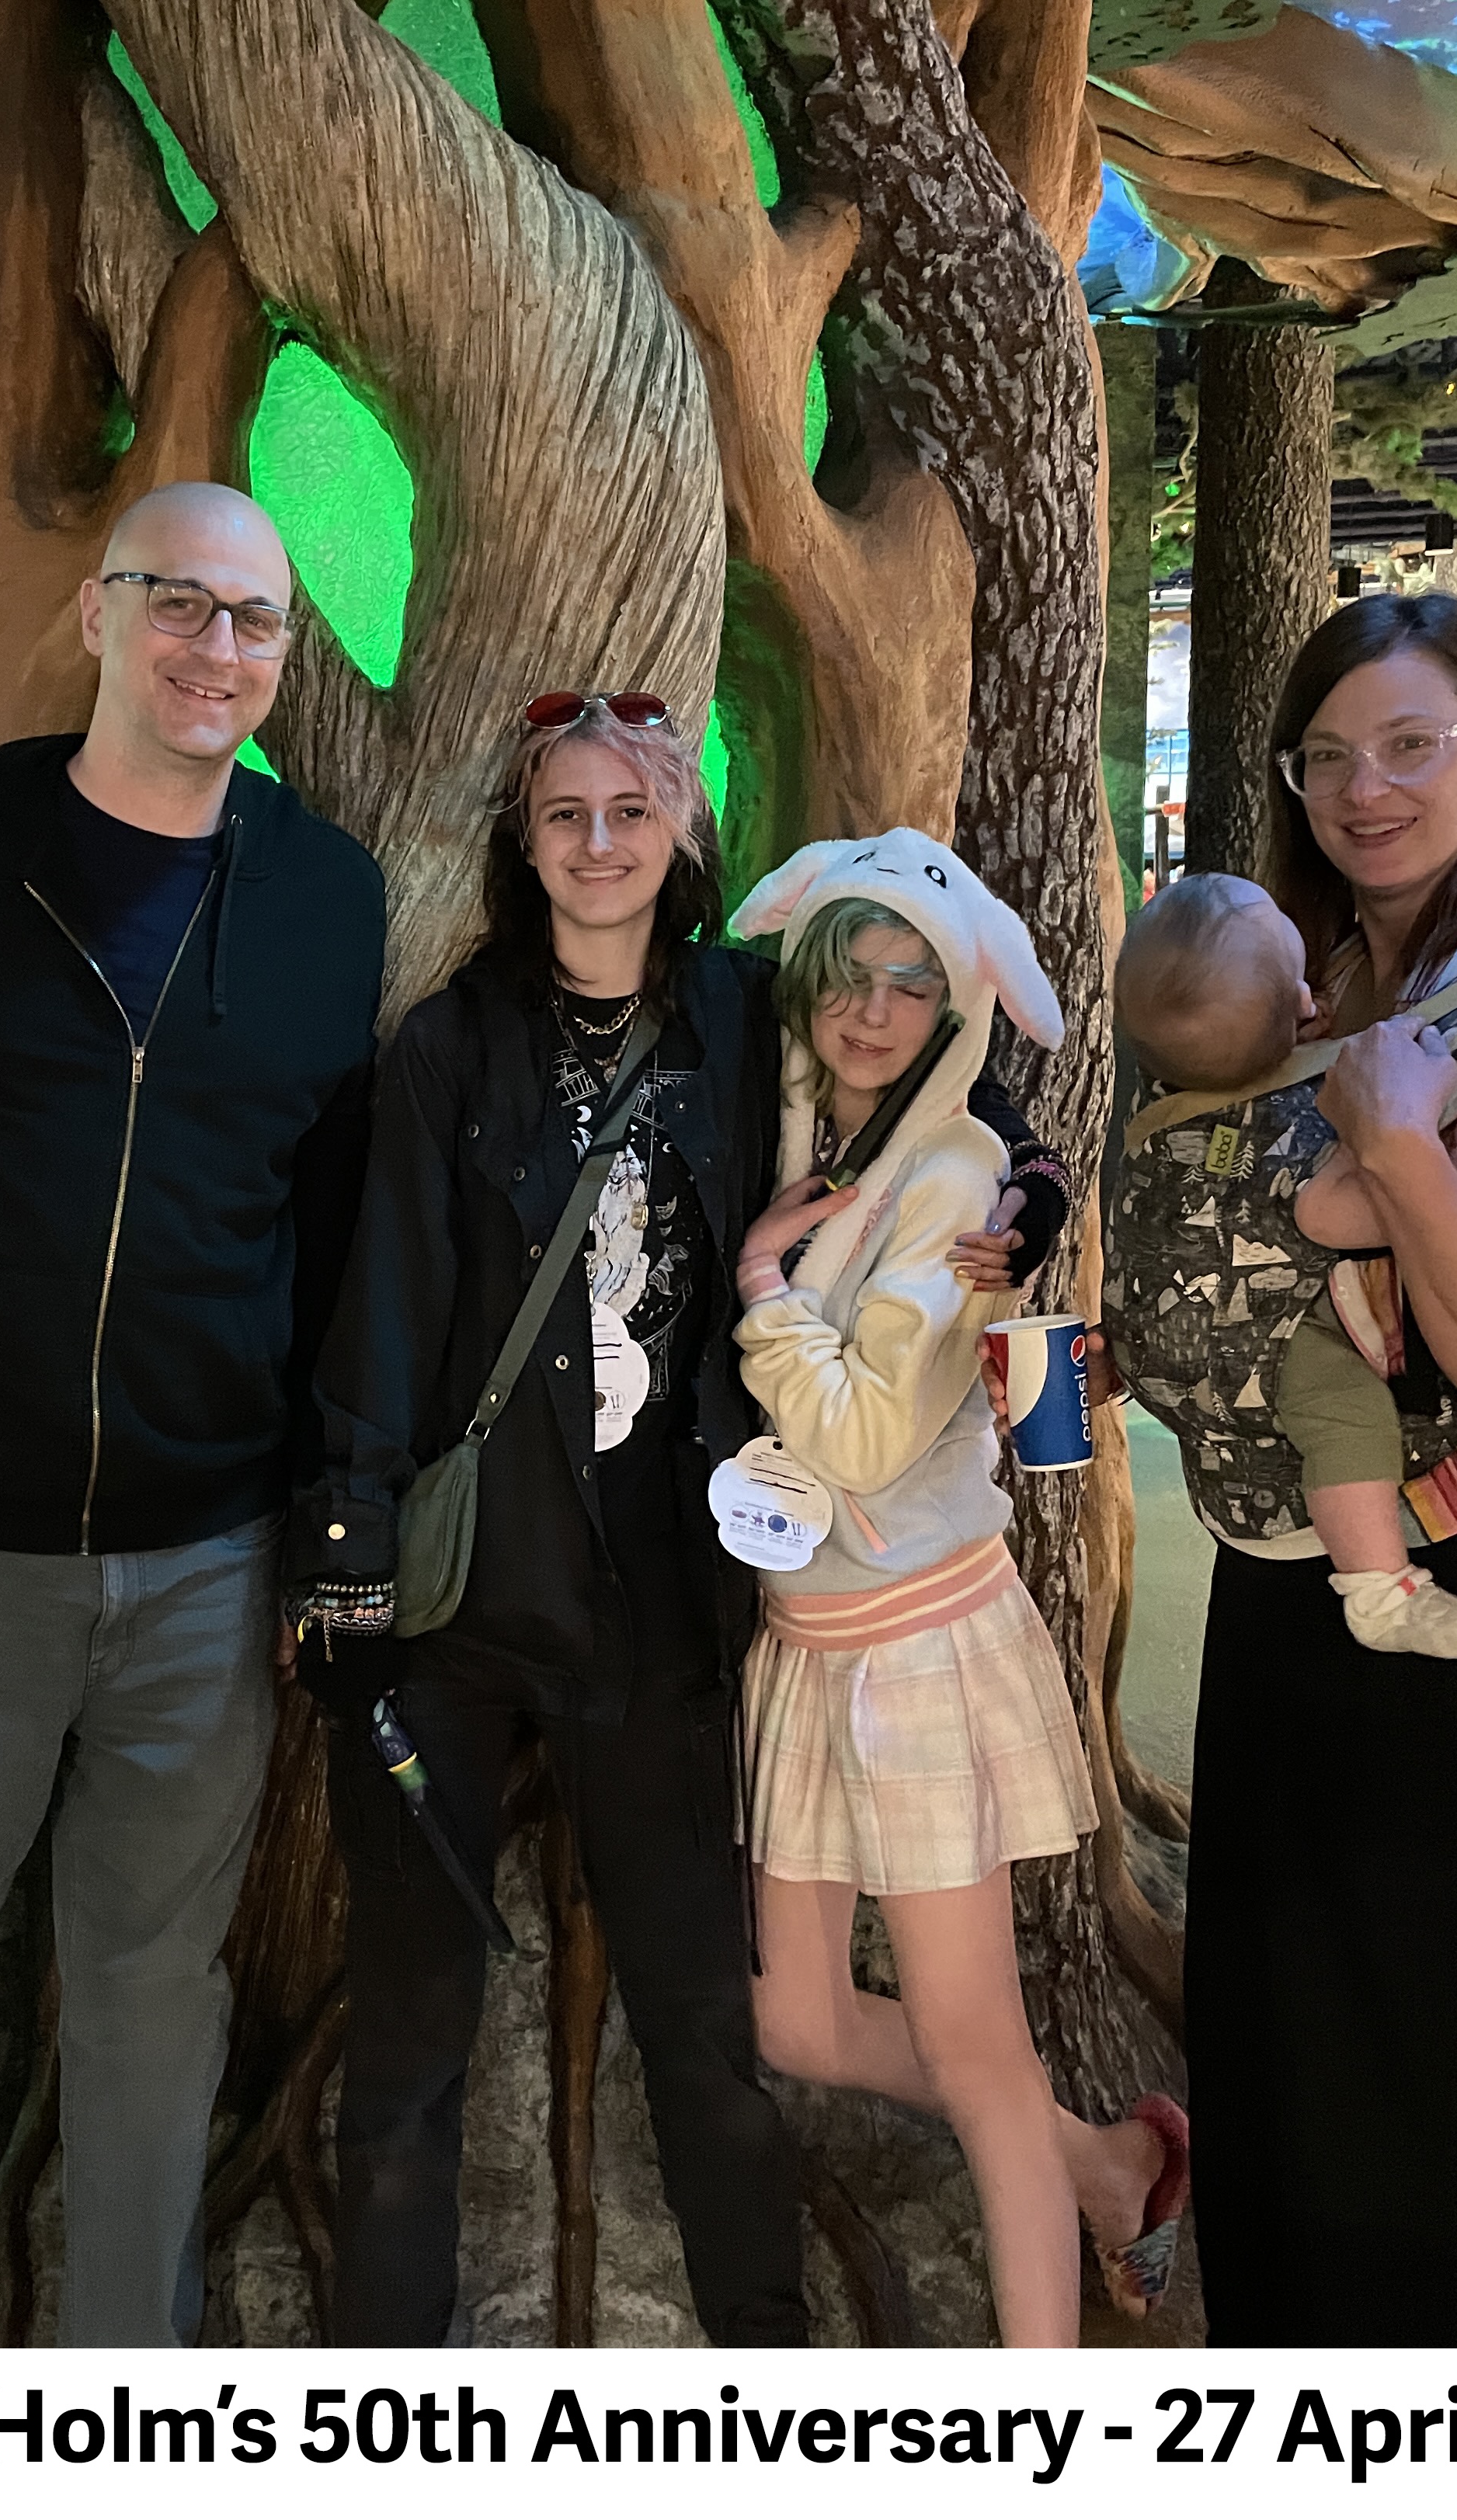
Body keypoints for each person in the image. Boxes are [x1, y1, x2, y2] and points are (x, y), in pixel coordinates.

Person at [291, 700, 1047, 2347]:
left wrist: (1033, 1189)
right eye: (565, 812)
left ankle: (762, 2349)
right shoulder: (452, 1042)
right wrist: (348, 1550)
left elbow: (909, 1069)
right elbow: (391, 1303)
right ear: (526, 831)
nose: (599, 842)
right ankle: (376, 2376)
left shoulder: (736, 1009)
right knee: (414, 2022)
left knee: (705, 2013)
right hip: (459, 1604)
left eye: (631, 810)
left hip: (663, 1602)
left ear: (681, 835)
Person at [0, 482, 384, 2347]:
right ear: (95, 612)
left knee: (152, 2000)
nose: (217, 647)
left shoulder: (325, 892)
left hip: (203, 1564)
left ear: (287, 658)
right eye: (179, 603)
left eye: (255, 620)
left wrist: (325, 1512)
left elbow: (339, 1212)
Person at [1146, 592, 1457, 2345]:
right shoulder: (1328, 978)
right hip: (1290, 1607)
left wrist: (1405, 1151)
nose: (1368, 788)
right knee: (1275, 2066)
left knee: (1420, 2111)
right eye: (1330, 755)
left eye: (1414, 743)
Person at [726, 831, 1181, 2346]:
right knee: (794, 2014)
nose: (870, 1007)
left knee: (975, 2041)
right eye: (847, 970)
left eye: (912, 982)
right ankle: (1117, 2165)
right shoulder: (794, 1127)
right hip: (803, 1640)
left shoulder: (963, 1177)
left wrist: (767, 1302)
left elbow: (862, 1426)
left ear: (958, 1006)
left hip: (917, 1640)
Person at [1113, 874, 1457, 1659]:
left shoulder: (1164, 1100)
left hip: (1159, 1325)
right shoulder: (1287, 1121)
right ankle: (1378, 1586)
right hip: (1260, 1340)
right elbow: (1333, 1211)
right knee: (1345, 1413)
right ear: (1302, 1011)